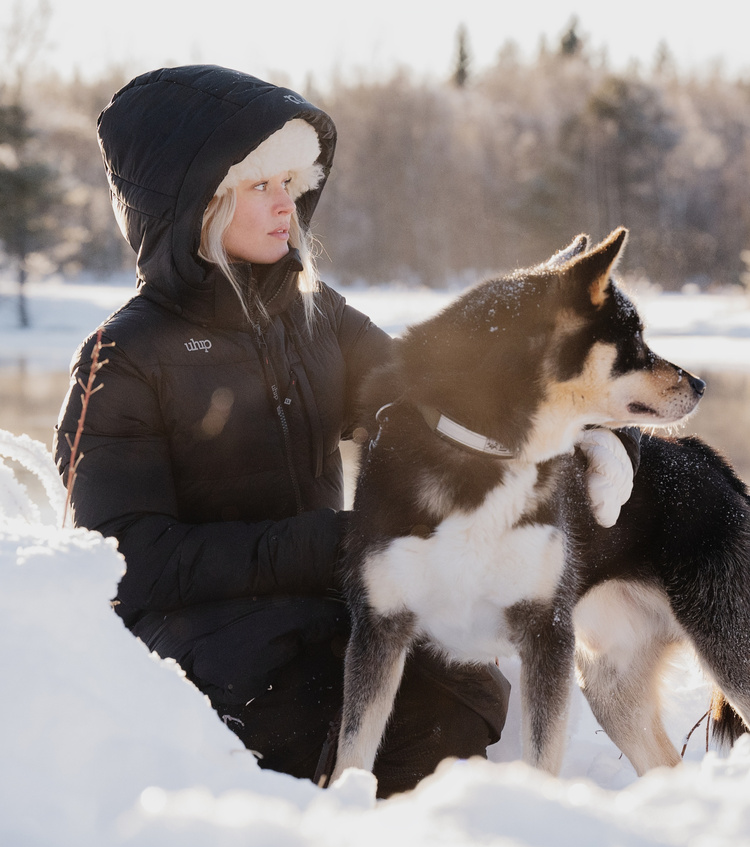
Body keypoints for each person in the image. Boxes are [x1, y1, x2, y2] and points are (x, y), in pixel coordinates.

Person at [55, 64, 637, 796]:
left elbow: (438, 403)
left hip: (323, 605)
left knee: (456, 704)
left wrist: (584, 428)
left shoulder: (314, 314)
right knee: (326, 743)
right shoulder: (124, 357)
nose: (287, 208)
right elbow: (127, 560)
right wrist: (331, 542)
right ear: (196, 201)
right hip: (195, 635)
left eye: (293, 186)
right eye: (261, 186)